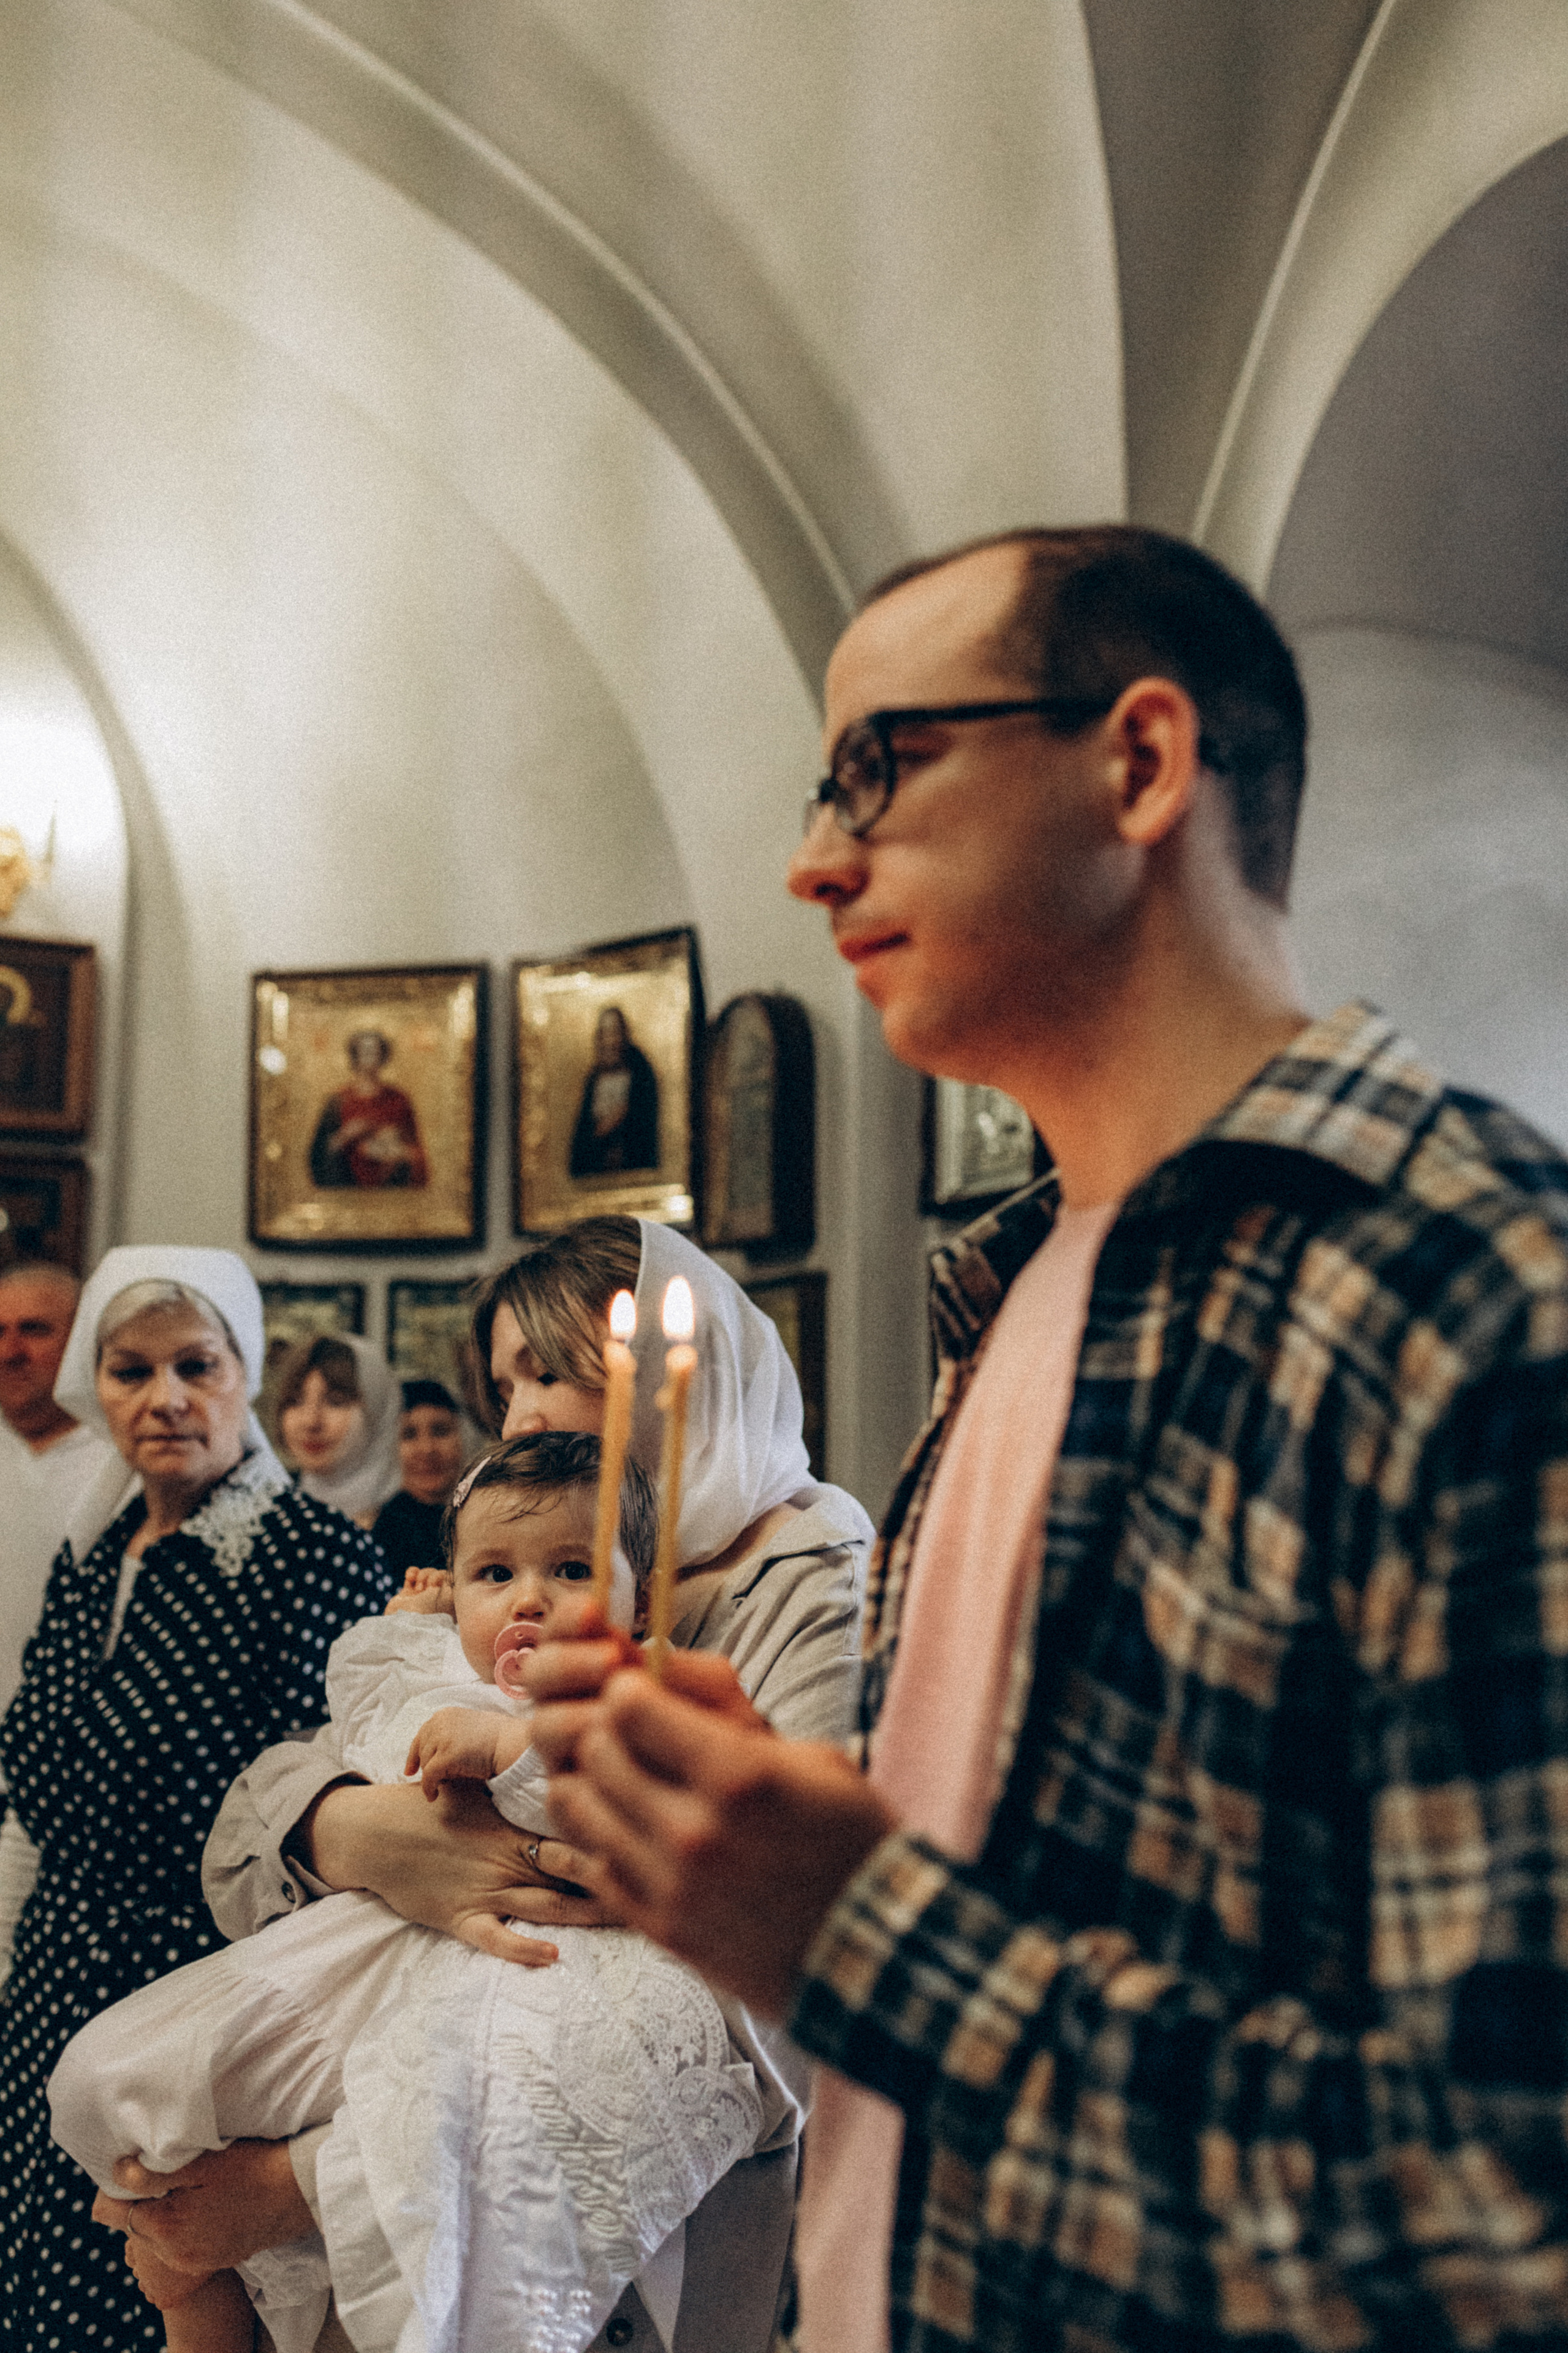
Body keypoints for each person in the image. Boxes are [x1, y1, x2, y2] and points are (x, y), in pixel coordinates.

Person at [525, 525, 1568, 2353]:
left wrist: (854, 1933)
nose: (811, 857)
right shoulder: (1016, 1286)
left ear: (1141, 762)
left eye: (880, 765)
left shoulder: (1466, 1286)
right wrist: (753, 1834)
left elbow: (1503, 2206)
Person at [112, 1217, 873, 2353]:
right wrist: (356, 1834)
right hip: (402, 2065)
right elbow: (248, 1826)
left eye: (554, 1372)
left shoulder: (806, 1585)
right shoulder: (503, 1563)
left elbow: (775, 1978)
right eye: (505, 1382)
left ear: (686, 1371)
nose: (521, 1415)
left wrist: (308, 2181)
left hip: (628, 2211)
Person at [51, 1431, 767, 2353]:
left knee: (416, 2229)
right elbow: (342, 1744)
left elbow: (647, 1802)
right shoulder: (426, 1660)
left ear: (643, 1600)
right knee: (115, 2079)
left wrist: (509, 1751)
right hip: (367, 1945)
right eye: (494, 1574)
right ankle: (193, 2291)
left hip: (526, 1984)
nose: (530, 1599)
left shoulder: (650, 1684)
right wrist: (416, 1630)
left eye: (574, 1569)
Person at [0, 1244, 393, 2353]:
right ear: (96, 1389)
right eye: (131, 1371)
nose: (166, 1398)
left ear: (244, 1375)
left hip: (198, 2018)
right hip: (48, 1993)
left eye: (197, 1366)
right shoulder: (96, 1561)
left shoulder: (305, 1556)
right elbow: (32, 1803)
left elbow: (336, 1815)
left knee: (164, 2305)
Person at [0, 1261, 118, 1727]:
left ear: (81, 1342)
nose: (11, 1351)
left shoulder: (124, 1463)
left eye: (34, 1330)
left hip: (72, 1761)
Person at [276, 1333, 401, 1528]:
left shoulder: (423, 1530)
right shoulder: (270, 1514)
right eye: (295, 1401)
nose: (311, 1422)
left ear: (378, 1411)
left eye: (335, 1402)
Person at [370, 1377, 468, 1575]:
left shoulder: (471, 1517)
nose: (427, 1449)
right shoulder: (389, 1533)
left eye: (440, 1431)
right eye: (409, 1435)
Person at [308, 1031, 429, 1189]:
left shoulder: (399, 1100)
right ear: (355, 1055)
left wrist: (397, 1149)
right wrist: (346, 1135)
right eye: (365, 1051)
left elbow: (416, 1153)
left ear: (383, 1055)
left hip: (391, 1192)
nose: (371, 1056)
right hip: (347, 1188)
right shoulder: (337, 1101)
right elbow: (319, 1154)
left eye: (376, 1051)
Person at [569, 1007, 660, 1176]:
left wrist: (625, 1117)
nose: (610, 1043)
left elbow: (643, 1134)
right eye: (605, 1034)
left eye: (615, 1033)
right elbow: (581, 1148)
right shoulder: (593, 1082)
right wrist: (601, 1131)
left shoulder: (641, 1079)